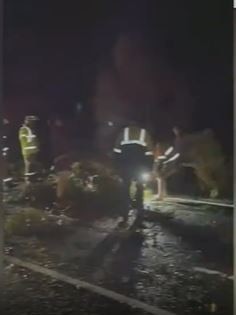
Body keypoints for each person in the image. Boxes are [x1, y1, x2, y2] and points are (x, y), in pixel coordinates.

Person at [113, 121, 154, 227]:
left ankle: (124, 215)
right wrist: (149, 168)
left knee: (125, 190)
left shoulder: (122, 133)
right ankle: (139, 214)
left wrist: (117, 167)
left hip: (125, 167)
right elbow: (149, 152)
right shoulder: (144, 133)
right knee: (140, 189)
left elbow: (116, 151)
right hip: (139, 167)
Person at [18, 116, 40, 183]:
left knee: (32, 168)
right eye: (32, 121)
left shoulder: (30, 129)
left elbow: (34, 140)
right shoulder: (24, 129)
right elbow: (24, 141)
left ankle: (32, 181)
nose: (34, 123)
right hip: (29, 152)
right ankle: (28, 182)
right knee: (29, 168)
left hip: (32, 152)